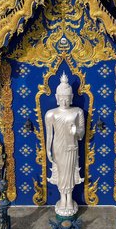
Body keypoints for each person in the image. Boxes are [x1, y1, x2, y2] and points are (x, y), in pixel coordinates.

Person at [45, 72, 85, 216]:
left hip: (71, 148)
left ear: (72, 97)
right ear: (57, 98)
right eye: (61, 98)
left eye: (67, 98)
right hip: (58, 147)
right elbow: (49, 134)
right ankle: (63, 199)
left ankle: (70, 200)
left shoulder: (77, 112)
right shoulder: (51, 114)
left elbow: (81, 134)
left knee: (69, 174)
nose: (64, 101)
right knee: (61, 174)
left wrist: (76, 131)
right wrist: (48, 151)